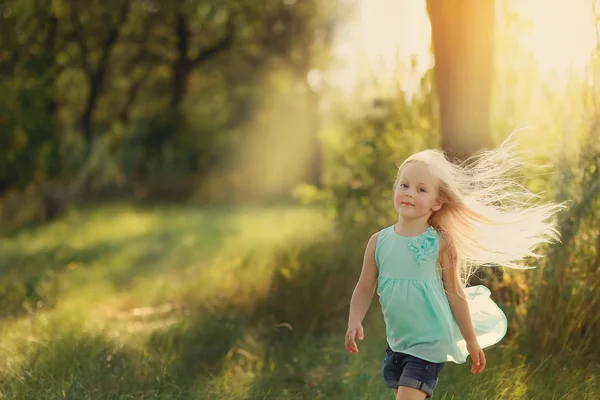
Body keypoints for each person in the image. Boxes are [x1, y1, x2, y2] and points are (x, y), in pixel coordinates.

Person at [344, 136, 563, 399]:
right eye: (404, 185)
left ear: (437, 203)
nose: (410, 193)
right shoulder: (378, 242)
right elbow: (365, 286)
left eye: (421, 189)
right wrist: (354, 320)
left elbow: (455, 293)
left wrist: (471, 341)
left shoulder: (440, 243)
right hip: (397, 342)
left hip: (429, 343)